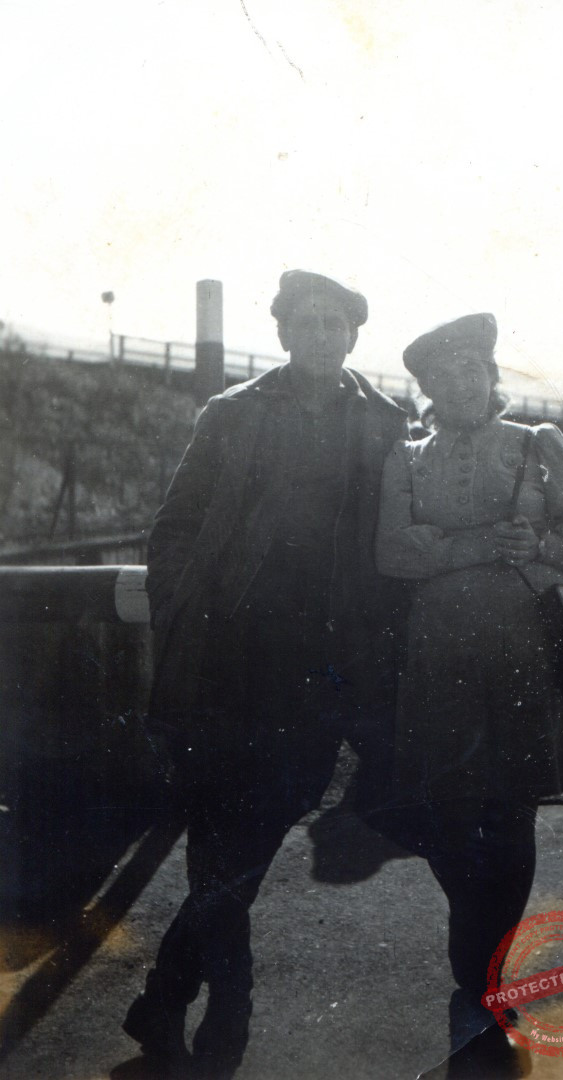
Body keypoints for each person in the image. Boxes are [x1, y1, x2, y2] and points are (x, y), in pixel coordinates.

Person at [122, 270, 407, 1078]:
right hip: (227, 662)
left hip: (321, 672)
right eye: (306, 321)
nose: (320, 334)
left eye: (334, 323)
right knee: (222, 837)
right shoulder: (233, 412)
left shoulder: (386, 422)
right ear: (282, 332)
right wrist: (185, 612)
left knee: (247, 839)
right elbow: (174, 528)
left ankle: (168, 996)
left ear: (353, 335)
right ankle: (225, 1010)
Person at [375, 312, 563, 1065]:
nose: (460, 383)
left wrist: (538, 544)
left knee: (510, 811)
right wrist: (481, 547)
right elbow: (392, 555)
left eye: (472, 369)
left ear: (492, 375)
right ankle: (475, 948)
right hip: (438, 654)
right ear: (427, 388)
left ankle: (489, 972)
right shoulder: (406, 455)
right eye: (443, 375)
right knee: (445, 810)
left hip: (521, 651)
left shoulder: (538, 444)